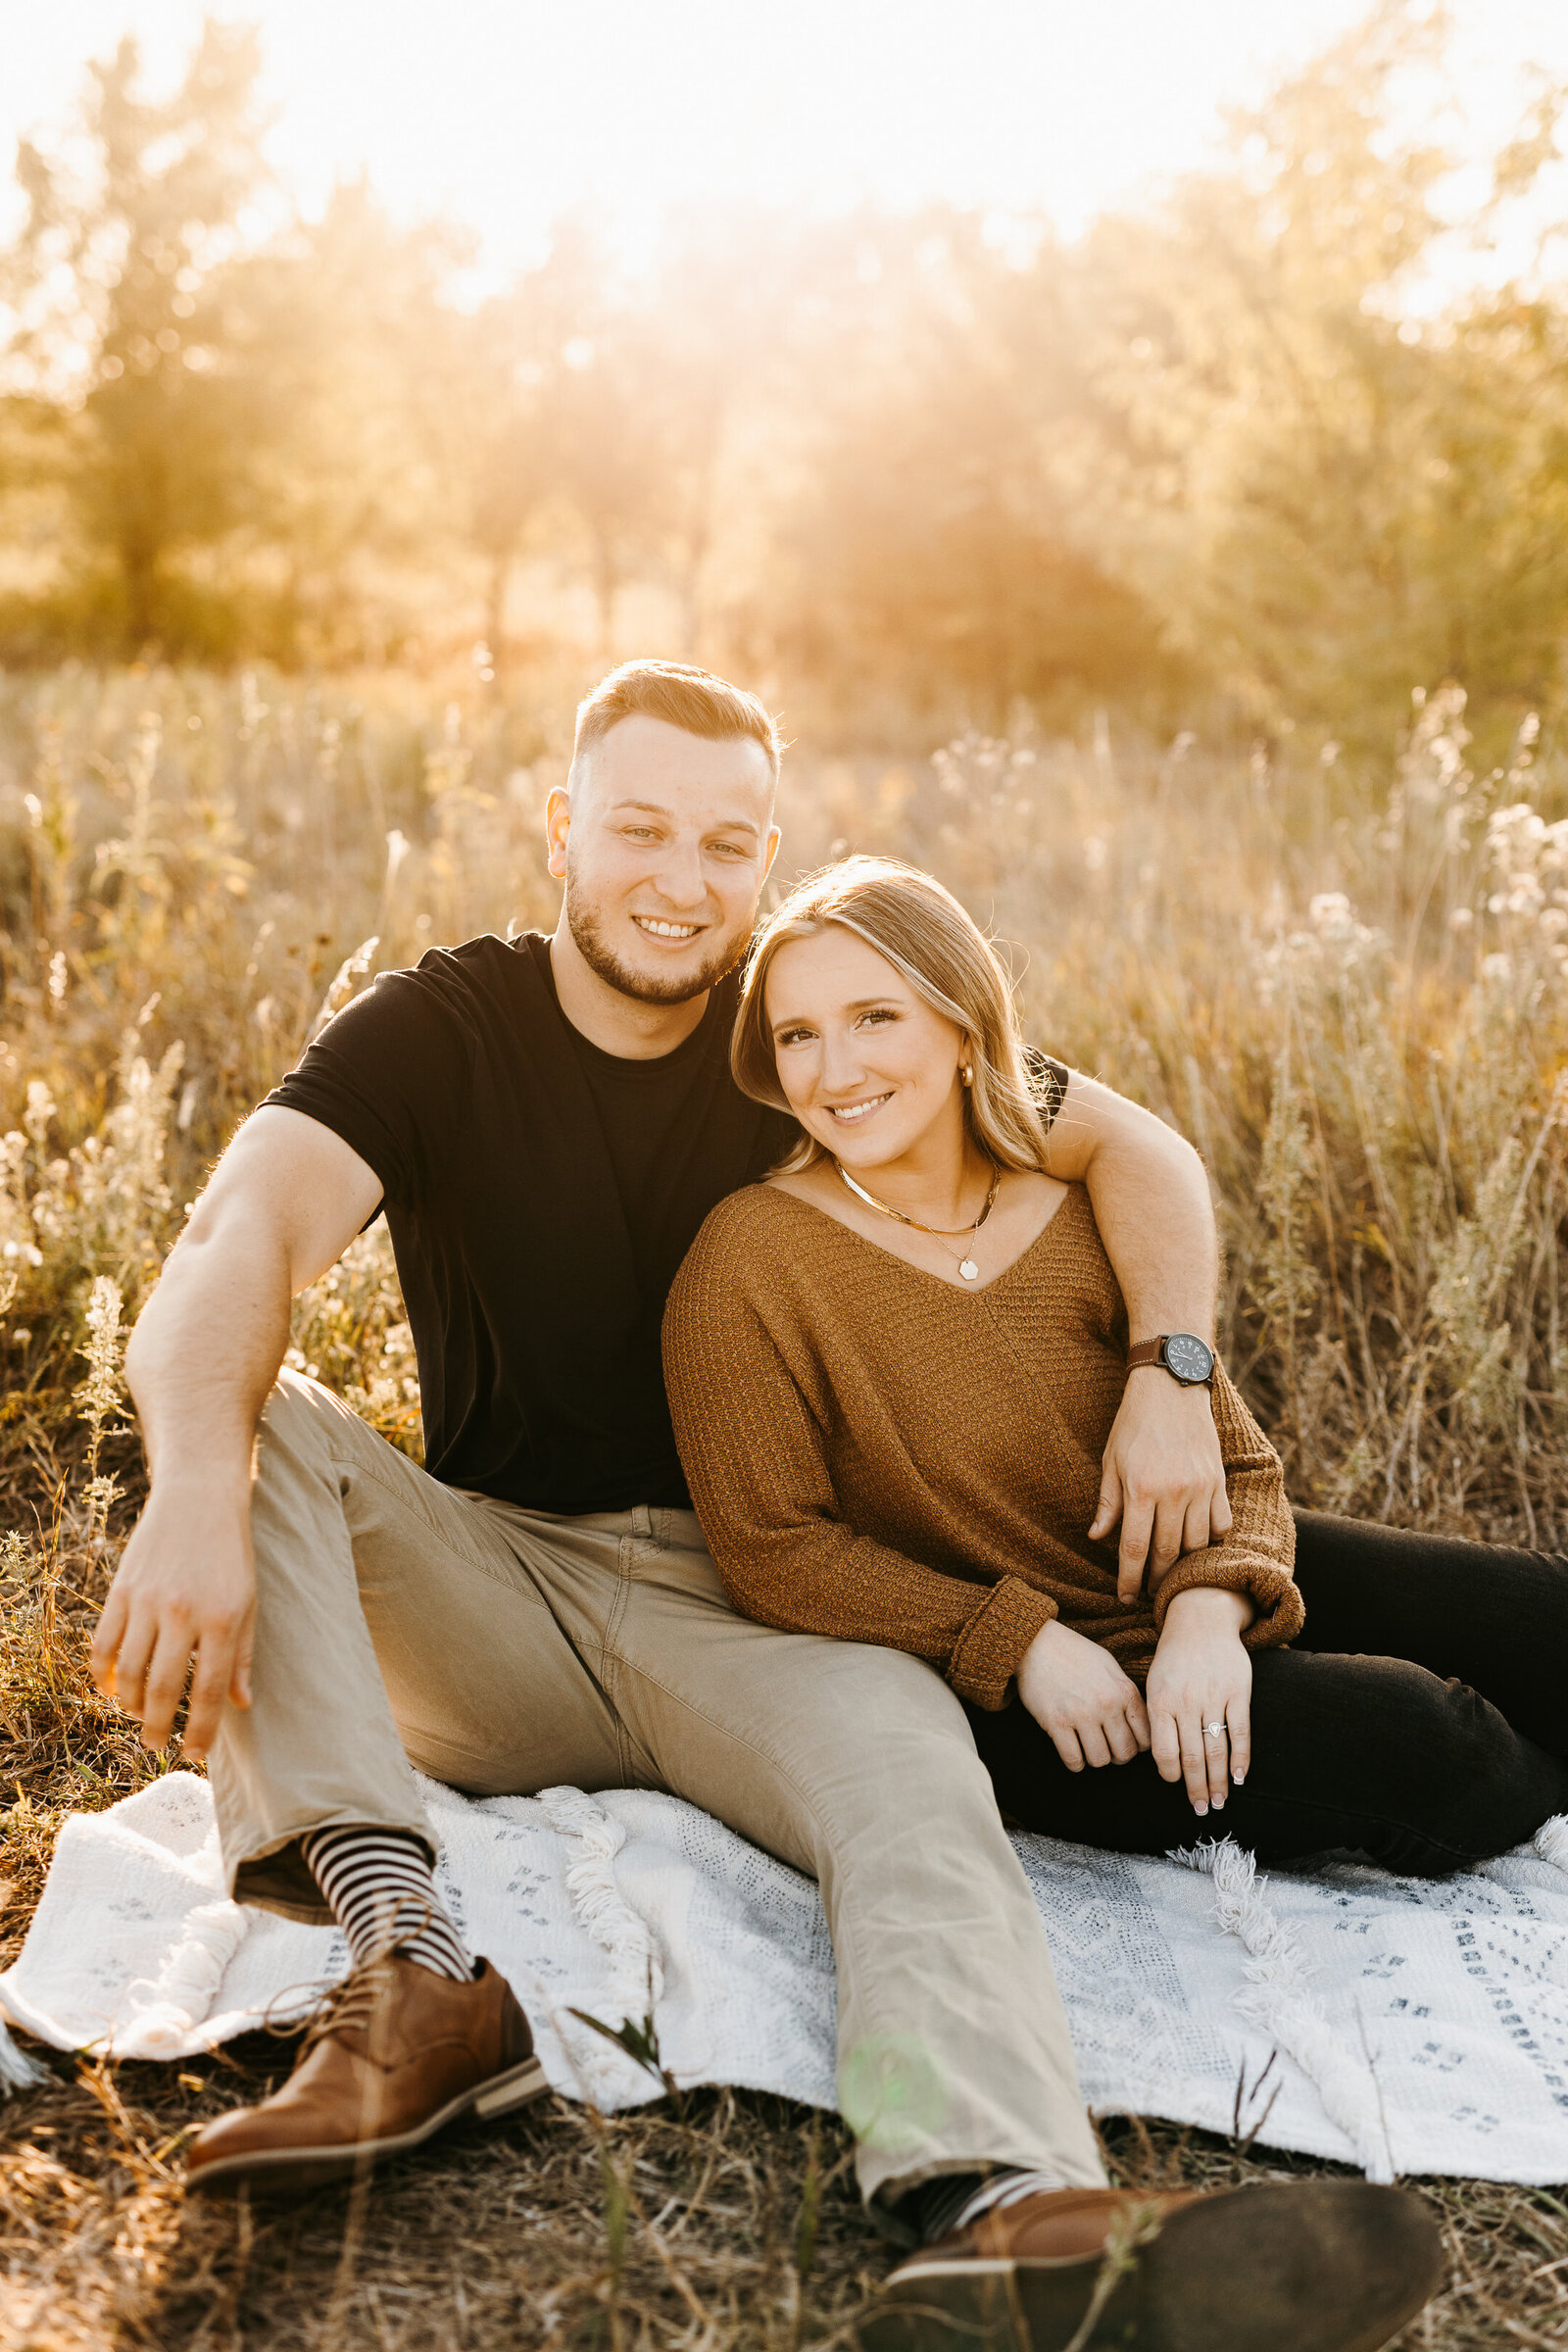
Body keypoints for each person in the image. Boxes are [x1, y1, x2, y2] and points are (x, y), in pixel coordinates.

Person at [88, 663, 1239, 2235]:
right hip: (496, 1593)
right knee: (254, 1422)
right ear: (562, 829)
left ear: (767, 860)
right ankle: (415, 1974)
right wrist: (192, 1496)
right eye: (640, 830)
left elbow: (1137, 1148)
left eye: (728, 844)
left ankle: (988, 2192)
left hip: (771, 1596)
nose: (682, 884)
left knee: (906, 1764)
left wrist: (1172, 1370)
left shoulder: (808, 1031)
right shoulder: (442, 1026)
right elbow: (239, 1237)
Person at [662, 851, 1568, 2342]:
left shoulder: (1067, 1199)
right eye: (801, 1037)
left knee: (1545, 1617)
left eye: (875, 1019)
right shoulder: (749, 1262)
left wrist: (1216, 1605)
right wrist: (1015, 1644)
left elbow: (1235, 1452)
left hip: (1172, 1579)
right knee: (1438, 1743)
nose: (835, 1068)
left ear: (964, 1026)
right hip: (1032, 1696)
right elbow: (773, 1547)